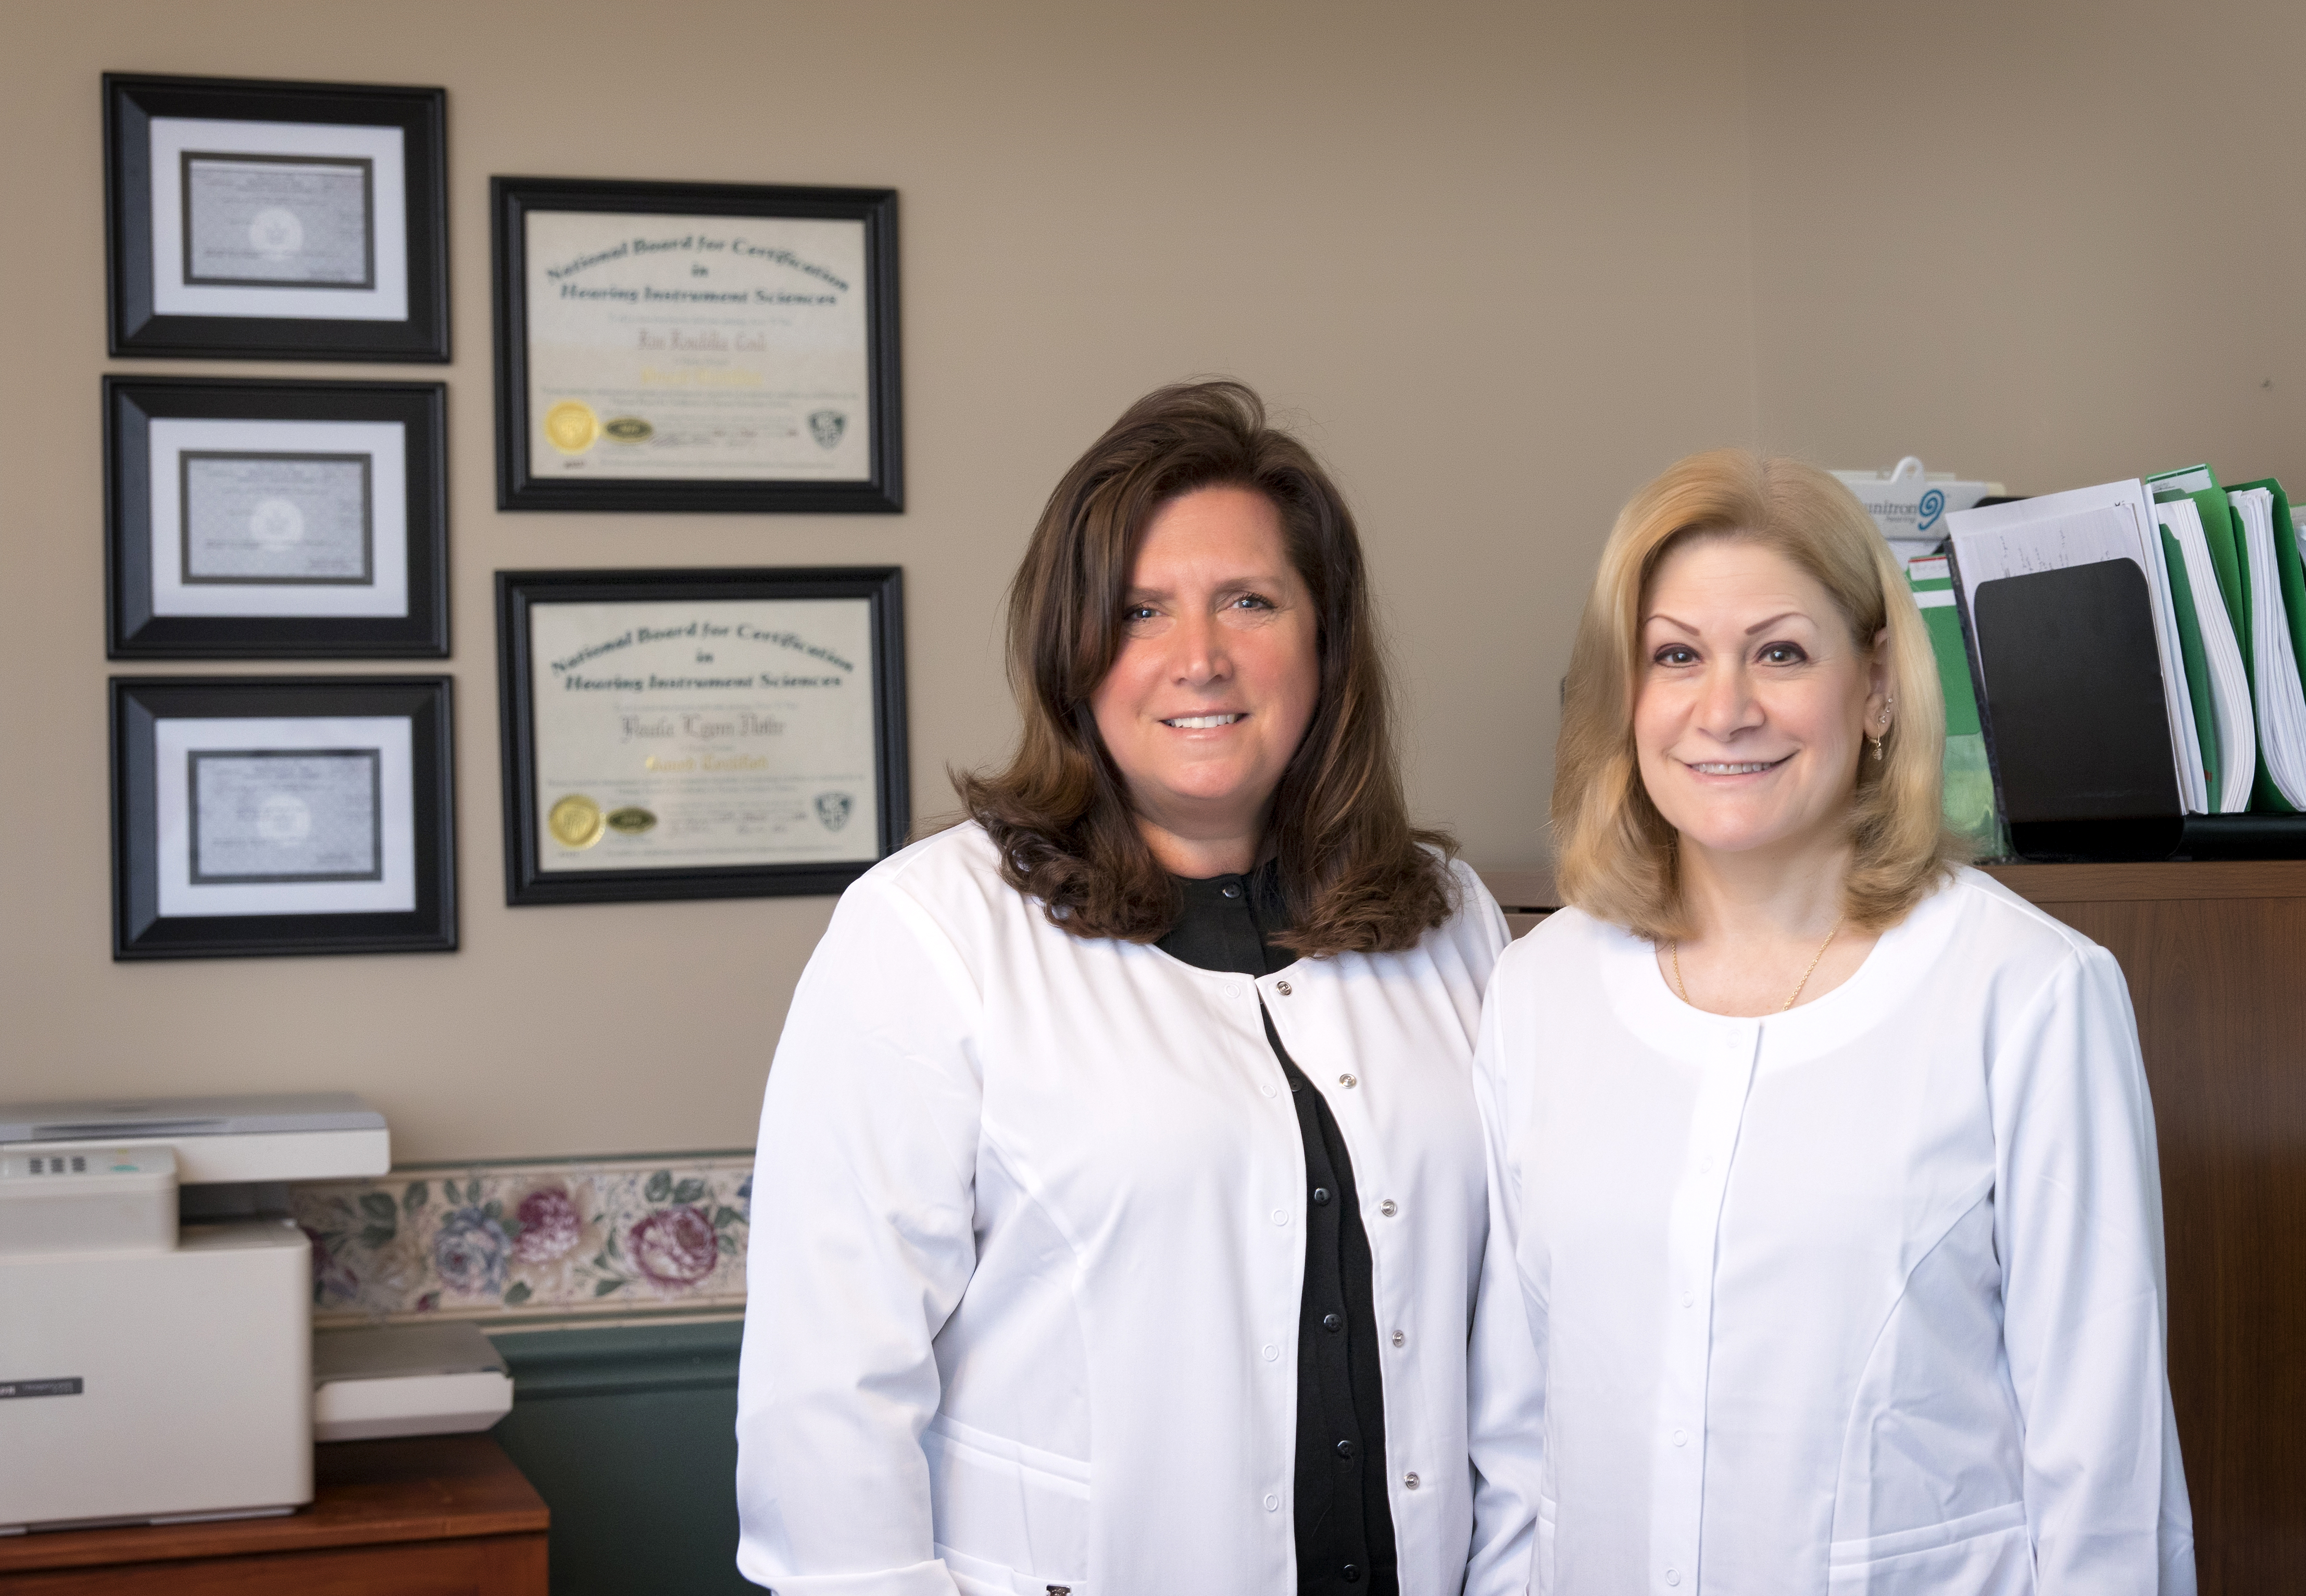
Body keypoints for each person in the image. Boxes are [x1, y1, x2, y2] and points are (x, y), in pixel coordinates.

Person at [736, 381, 1532, 1595]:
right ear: (1075, 652)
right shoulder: (925, 935)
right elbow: (827, 1399)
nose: (1198, 658)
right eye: (1140, 611)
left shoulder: (1453, 921)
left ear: (1324, 641)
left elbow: (1520, 1351)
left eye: (1250, 602)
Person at [1469, 449, 2195, 1594]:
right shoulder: (1537, 993)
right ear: (1627, 695)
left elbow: (2105, 1474)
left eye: (1781, 652)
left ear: (1877, 689)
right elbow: (1512, 1442)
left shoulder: (2029, 994)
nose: (1727, 709)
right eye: (1676, 656)